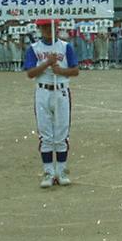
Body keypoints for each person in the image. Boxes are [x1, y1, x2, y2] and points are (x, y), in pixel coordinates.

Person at [24, 18, 80, 188]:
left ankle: (61, 170)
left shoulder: (65, 47)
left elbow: (75, 70)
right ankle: (48, 171)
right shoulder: (34, 48)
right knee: (46, 134)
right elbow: (30, 73)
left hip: (61, 91)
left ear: (58, 27)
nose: (49, 30)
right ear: (39, 29)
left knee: (61, 134)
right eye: (45, 27)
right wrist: (47, 63)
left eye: (52, 26)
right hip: (42, 91)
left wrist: (60, 70)